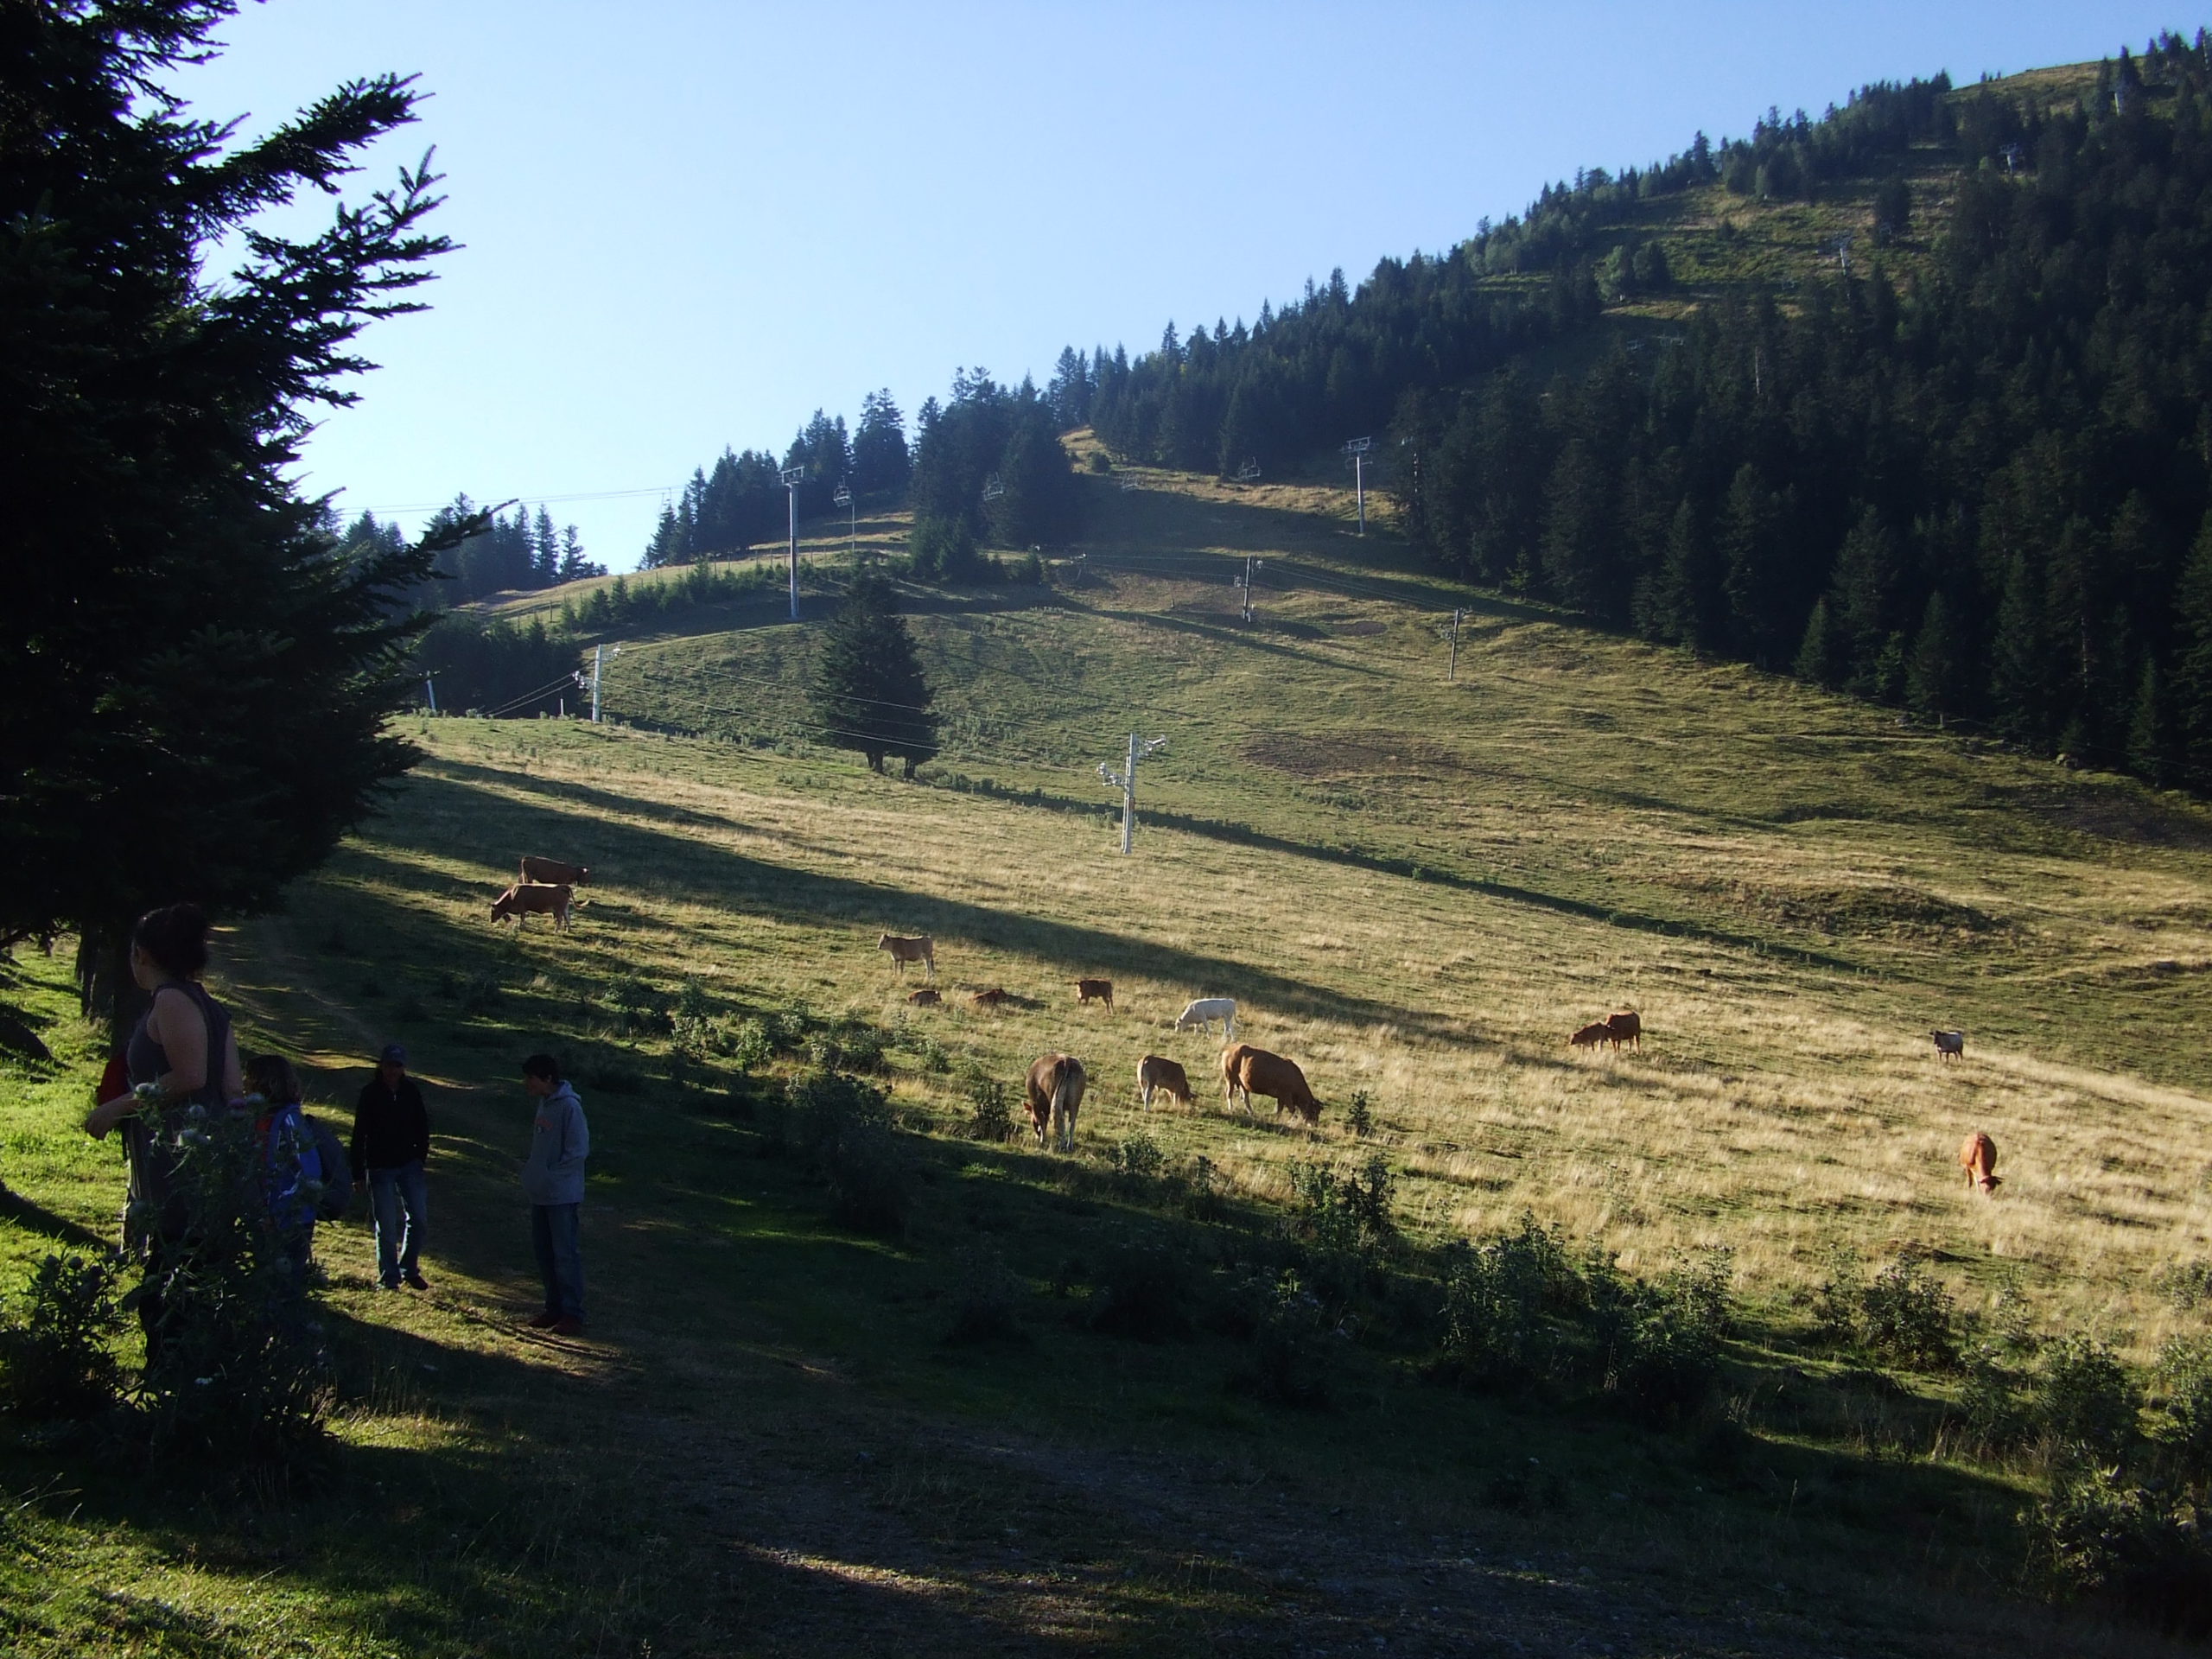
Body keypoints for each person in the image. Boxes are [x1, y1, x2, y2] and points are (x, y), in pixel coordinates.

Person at [83, 902, 244, 1351]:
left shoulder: (171, 999)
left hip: (177, 1164)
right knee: (196, 1285)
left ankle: (167, 1389)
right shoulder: (213, 1008)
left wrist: (117, 1106)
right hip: (208, 1170)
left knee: (169, 1290)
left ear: (142, 955)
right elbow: (232, 1089)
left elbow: (189, 1075)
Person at [352, 1043, 430, 1291]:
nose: (393, 1070)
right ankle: (389, 1276)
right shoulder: (370, 1094)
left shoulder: (411, 1092)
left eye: (398, 1065)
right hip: (380, 1167)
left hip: (409, 1165)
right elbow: (359, 1134)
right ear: (381, 1065)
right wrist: (358, 1172)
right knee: (385, 1224)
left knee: (418, 1218)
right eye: (389, 1065)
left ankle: (408, 1267)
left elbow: (422, 1126)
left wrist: (420, 1157)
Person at [519, 1053, 588, 1334]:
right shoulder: (544, 1104)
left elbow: (578, 1151)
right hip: (541, 1194)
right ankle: (553, 1307)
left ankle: (572, 1312)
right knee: (544, 1252)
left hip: (561, 1195)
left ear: (547, 1078)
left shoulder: (570, 1107)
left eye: (531, 1078)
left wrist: (551, 1177)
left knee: (564, 1253)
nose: (527, 1084)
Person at [244, 1052, 322, 1273]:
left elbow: (306, 1172)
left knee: (284, 1282)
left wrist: (278, 1214)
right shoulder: (261, 1120)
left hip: (289, 1220)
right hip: (268, 1218)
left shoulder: (288, 1121)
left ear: (266, 1082)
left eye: (249, 1077)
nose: (244, 1083)